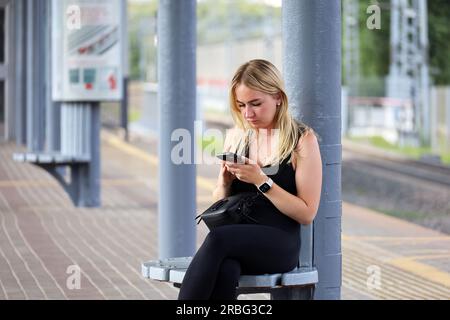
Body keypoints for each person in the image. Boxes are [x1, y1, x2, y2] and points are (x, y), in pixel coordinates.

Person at [178, 59, 322, 300]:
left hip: (279, 242)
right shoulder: (237, 137)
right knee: (226, 269)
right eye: (241, 105)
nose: (248, 113)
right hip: (237, 238)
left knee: (217, 240)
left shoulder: (302, 140)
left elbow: (307, 213)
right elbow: (219, 201)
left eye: (256, 104)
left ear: (278, 97)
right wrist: (224, 182)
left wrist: (261, 180)